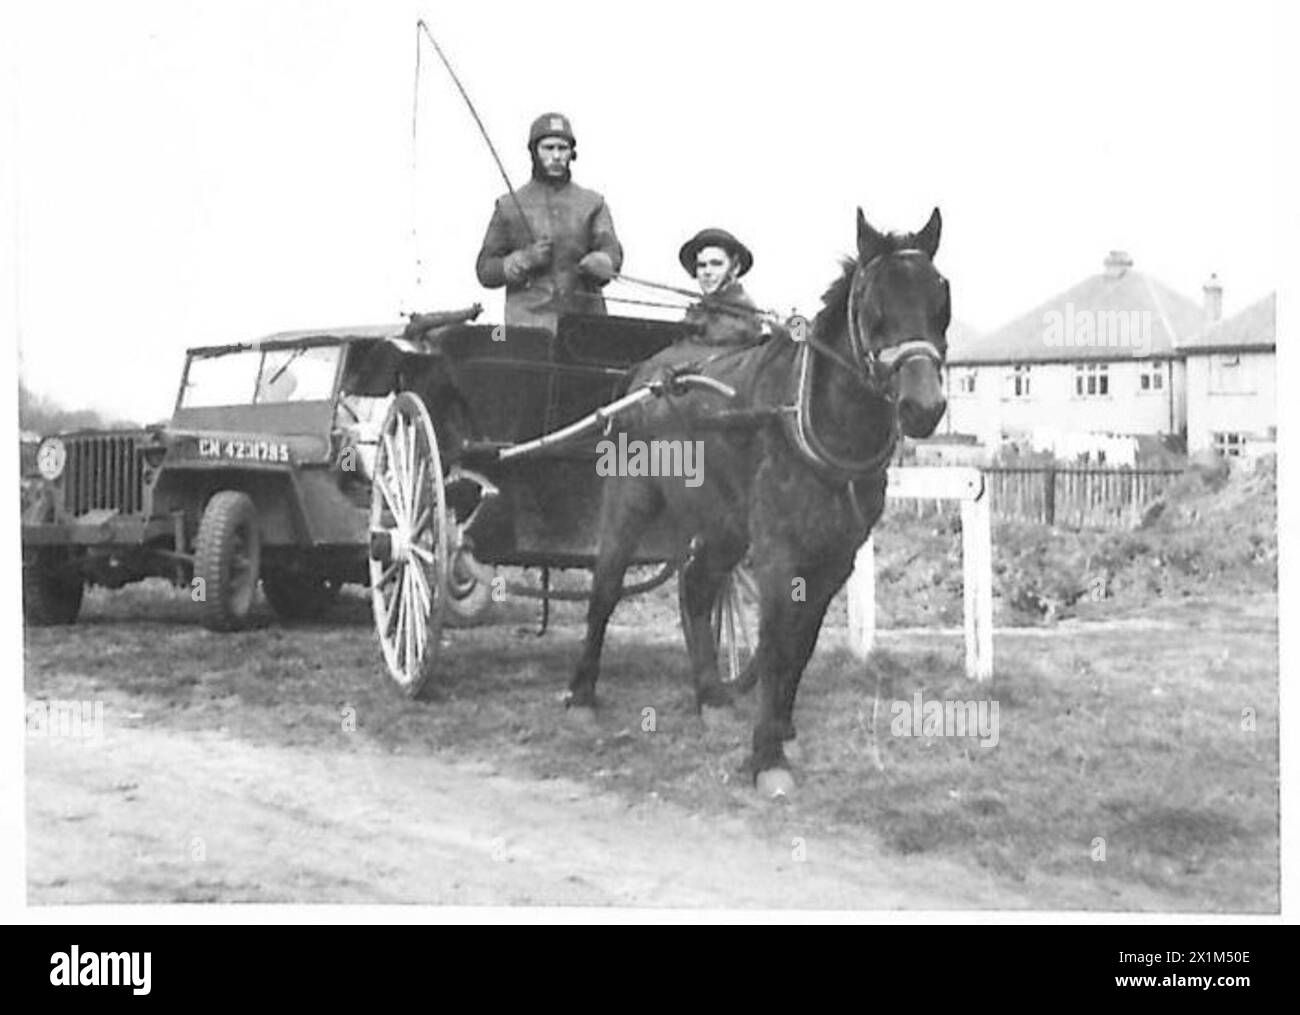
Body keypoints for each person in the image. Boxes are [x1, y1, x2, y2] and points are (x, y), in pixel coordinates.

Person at [475, 112, 623, 331]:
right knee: (501, 345)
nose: (556, 156)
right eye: (548, 148)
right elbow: (485, 270)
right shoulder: (508, 206)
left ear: (572, 153)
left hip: (585, 326)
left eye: (562, 149)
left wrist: (600, 263)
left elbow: (613, 255)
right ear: (534, 152)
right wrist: (523, 260)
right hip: (528, 328)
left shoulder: (592, 204)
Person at [677, 227, 765, 347]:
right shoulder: (705, 308)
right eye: (701, 265)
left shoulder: (741, 311)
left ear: (735, 268)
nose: (707, 272)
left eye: (716, 264)